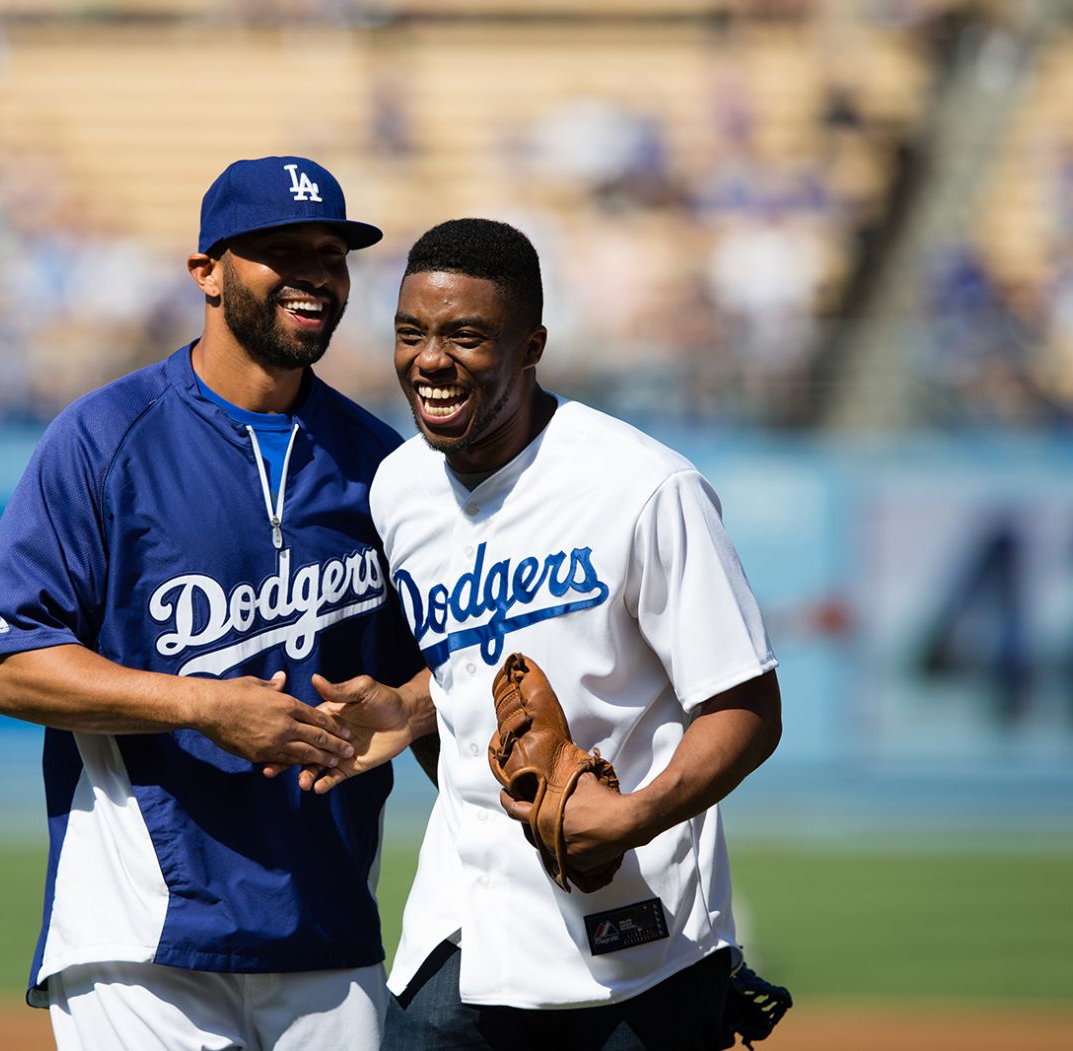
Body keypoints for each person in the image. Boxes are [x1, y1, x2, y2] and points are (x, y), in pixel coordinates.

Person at [0, 156, 427, 1051]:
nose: (315, 274)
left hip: (329, 934)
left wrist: (413, 708)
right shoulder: (105, 438)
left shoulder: (383, 466)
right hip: (142, 938)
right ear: (206, 272)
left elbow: (431, 679)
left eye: (331, 253)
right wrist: (202, 704)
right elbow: (4, 662)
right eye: (278, 250)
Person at [302, 218, 783, 1050]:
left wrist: (633, 815)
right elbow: (465, 671)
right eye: (410, 332)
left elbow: (746, 705)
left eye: (466, 336)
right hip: (462, 933)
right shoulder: (399, 488)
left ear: (531, 347)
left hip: (638, 950)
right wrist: (415, 710)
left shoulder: (642, 487)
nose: (430, 360)